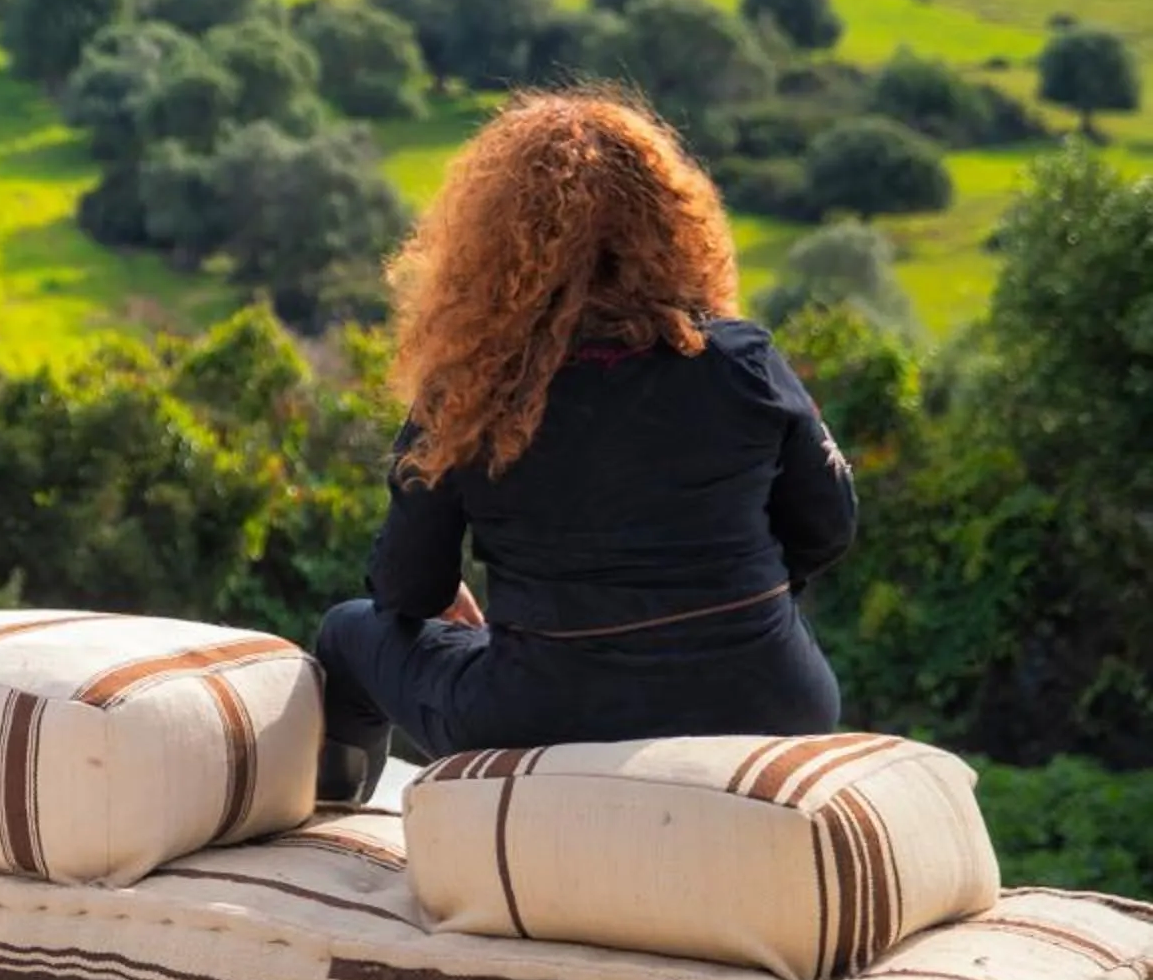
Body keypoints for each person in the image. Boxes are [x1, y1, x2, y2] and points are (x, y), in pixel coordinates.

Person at [315, 91, 854, 804]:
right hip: (774, 701)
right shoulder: (742, 363)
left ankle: (335, 822)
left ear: (488, 247)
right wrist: (716, 597)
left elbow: (407, 588)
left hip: (545, 714)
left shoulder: (474, 390)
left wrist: (454, 594)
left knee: (349, 633)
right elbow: (829, 526)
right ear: (673, 224)